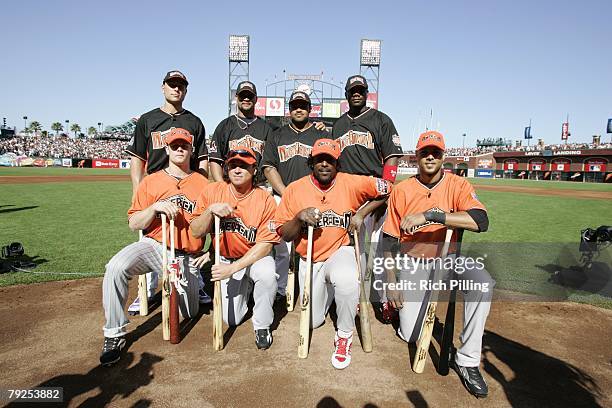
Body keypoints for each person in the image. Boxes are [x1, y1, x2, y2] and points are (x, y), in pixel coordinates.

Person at [381, 130, 494, 398]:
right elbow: (388, 240)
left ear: (443, 157)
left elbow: (481, 221)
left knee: (482, 283)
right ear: (416, 156)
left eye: (436, 153)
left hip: (450, 260)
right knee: (410, 335)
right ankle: (410, 314)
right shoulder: (402, 190)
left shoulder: (458, 185)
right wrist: (391, 282)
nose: (430, 157)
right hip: (414, 262)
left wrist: (433, 216)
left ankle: (467, 361)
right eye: (425, 152)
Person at [274, 139, 393, 369]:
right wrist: (298, 218)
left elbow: (387, 188)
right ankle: (338, 296)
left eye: (330, 159)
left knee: (347, 277)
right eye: (320, 159)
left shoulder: (351, 182)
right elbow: (285, 235)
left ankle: (344, 335)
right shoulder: (295, 189)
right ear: (312, 163)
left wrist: (362, 212)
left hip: (341, 251)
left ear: (337, 163)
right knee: (313, 321)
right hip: (310, 260)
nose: (325, 164)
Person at [100, 128, 208, 366]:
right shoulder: (151, 181)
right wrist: (154, 208)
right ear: (166, 149)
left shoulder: (203, 183)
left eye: (184, 146)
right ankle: (113, 333)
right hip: (154, 246)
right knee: (116, 266)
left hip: (185, 255)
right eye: (174, 145)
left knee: (188, 313)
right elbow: (133, 223)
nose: (179, 149)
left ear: (191, 149)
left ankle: (192, 289)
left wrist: (208, 252)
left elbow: (210, 227)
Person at [124, 70, 210, 313]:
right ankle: (147, 291)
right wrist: (137, 192)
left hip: (187, 187)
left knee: (190, 239)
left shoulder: (194, 122)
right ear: (163, 87)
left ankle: (197, 283)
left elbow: (202, 160)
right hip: (155, 189)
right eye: (172, 84)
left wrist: (199, 188)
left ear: (186, 89)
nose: (176, 89)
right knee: (152, 240)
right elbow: (138, 159)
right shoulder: (148, 119)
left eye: (181, 85)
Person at [190, 147, 279, 350]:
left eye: (244, 166)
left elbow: (265, 245)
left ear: (254, 169)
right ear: (226, 168)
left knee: (267, 274)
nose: (237, 170)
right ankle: (246, 287)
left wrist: (233, 269)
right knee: (232, 319)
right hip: (226, 259)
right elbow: (196, 231)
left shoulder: (264, 198)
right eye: (233, 165)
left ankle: (262, 325)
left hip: (254, 257)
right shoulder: (212, 191)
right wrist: (210, 212)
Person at [332, 74, 404, 321]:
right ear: (347, 94)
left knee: (380, 249)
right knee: (354, 250)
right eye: (353, 90)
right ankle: (355, 299)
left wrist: (384, 189)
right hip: (348, 195)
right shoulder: (338, 125)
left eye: (361, 90)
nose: (357, 93)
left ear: (366, 93)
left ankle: (384, 300)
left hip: (376, 193)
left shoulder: (381, 120)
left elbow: (392, 158)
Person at [261, 90, 328, 303]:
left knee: (314, 246)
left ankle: (314, 290)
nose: (298, 109)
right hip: (283, 196)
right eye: (294, 105)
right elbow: (269, 166)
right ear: (289, 109)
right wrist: (286, 192)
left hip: (313, 198)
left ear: (310, 109)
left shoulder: (320, 135)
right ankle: (281, 290)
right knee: (282, 247)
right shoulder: (278, 134)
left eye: (303, 105)